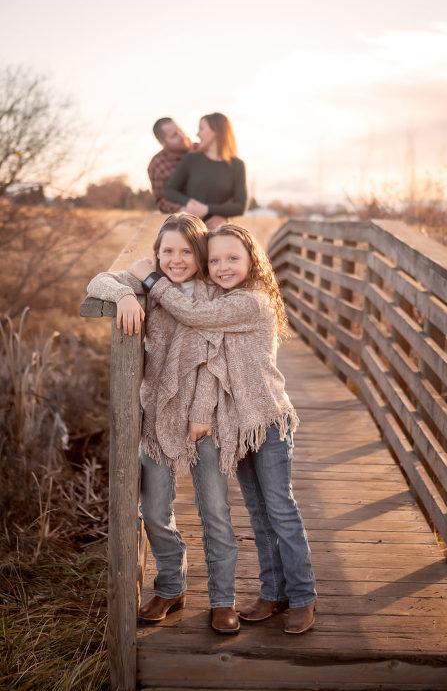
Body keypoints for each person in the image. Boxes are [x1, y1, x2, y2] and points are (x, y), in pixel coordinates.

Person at [128, 224, 317, 634]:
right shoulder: (223, 298)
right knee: (259, 514)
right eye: (214, 260)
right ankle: (272, 594)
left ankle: (303, 597)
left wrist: (153, 279)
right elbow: (191, 315)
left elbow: (194, 313)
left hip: (264, 420)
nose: (222, 266)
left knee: (280, 511)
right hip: (236, 425)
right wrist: (129, 289)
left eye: (233, 258)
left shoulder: (249, 301)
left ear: (253, 261)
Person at [86, 213, 241, 634]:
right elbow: (97, 280)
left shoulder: (214, 293)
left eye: (186, 251)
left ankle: (223, 600)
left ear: (202, 254)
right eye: (167, 250)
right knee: (153, 511)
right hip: (157, 415)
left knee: (215, 513)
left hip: (204, 421)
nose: (176, 259)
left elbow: (215, 361)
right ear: (156, 254)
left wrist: (200, 415)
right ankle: (170, 586)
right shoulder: (149, 285)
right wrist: (124, 296)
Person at [164, 112, 247, 230]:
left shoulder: (237, 165)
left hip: (219, 231)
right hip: (190, 230)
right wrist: (189, 202)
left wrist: (209, 210)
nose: (197, 134)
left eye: (201, 129)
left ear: (216, 132)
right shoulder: (191, 159)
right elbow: (169, 190)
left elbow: (240, 206)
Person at [147, 118, 193, 214]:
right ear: (162, 142)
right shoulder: (157, 164)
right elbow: (162, 200)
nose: (182, 136)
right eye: (174, 136)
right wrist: (185, 211)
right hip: (188, 218)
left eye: (180, 130)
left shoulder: (202, 149)